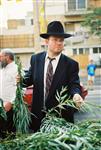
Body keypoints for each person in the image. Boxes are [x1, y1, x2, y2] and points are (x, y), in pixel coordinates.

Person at [20, 21, 84, 132]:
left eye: (61, 40)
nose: (59, 43)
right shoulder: (36, 59)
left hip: (61, 119)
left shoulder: (71, 64)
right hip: (38, 119)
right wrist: (19, 79)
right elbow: (28, 79)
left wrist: (76, 94)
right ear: (46, 41)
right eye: (55, 40)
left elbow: (74, 84)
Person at [0, 49, 18, 137]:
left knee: (9, 134)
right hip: (1, 106)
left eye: (0, 56)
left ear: (7, 57)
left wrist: (11, 102)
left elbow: (20, 88)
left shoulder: (16, 69)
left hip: (9, 107)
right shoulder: (2, 69)